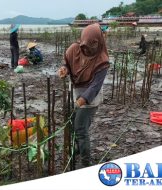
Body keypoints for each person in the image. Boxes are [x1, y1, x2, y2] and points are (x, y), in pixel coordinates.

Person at [58, 23, 110, 168]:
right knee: (74, 125)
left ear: (98, 42)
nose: (87, 49)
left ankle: (85, 163)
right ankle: (79, 150)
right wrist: (64, 69)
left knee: (80, 128)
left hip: (91, 100)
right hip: (76, 94)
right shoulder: (74, 49)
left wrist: (80, 102)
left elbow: (95, 87)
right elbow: (67, 64)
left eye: (91, 46)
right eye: (85, 46)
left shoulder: (102, 60)